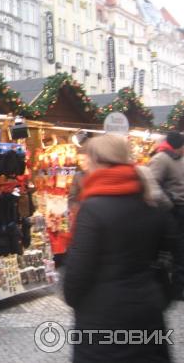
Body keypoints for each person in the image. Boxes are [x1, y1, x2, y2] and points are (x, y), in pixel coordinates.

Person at [64, 134, 178, 363]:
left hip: (102, 315)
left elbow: (77, 272)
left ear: (98, 162)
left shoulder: (93, 207)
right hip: (147, 309)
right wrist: (164, 294)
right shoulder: (151, 200)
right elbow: (176, 250)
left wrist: (77, 301)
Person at [149, 131, 184, 298]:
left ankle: (177, 287)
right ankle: (171, 288)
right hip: (171, 212)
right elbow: (152, 186)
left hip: (178, 210)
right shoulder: (161, 158)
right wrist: (169, 204)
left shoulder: (178, 158)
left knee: (180, 250)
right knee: (174, 249)